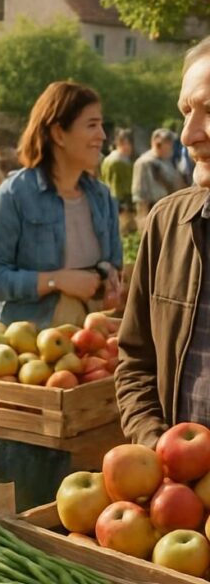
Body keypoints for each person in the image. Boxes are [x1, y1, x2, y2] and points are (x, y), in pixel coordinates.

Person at [116, 37, 210, 444]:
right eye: (185, 112)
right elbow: (136, 361)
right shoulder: (167, 224)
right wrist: (155, 445)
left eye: (209, 111)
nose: (187, 136)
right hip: (180, 499)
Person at [0, 81, 123, 330]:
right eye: (92, 125)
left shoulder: (101, 197)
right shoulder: (15, 194)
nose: (102, 135)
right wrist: (56, 281)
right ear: (58, 134)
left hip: (89, 343)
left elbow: (114, 265)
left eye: (101, 124)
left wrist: (109, 278)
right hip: (29, 348)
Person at [132, 128, 187, 227]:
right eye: (168, 142)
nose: (171, 146)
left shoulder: (167, 160)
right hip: (153, 210)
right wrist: (143, 219)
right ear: (158, 143)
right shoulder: (144, 163)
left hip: (170, 209)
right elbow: (140, 194)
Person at [101, 128, 134, 211]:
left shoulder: (109, 159)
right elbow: (116, 187)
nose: (129, 147)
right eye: (126, 143)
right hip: (118, 202)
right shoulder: (118, 161)